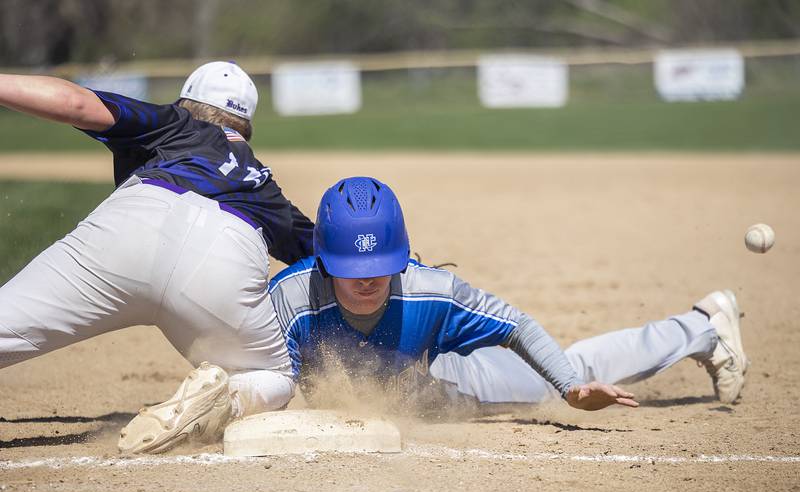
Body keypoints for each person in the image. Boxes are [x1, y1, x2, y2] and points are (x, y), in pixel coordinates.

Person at [0, 62, 313, 454]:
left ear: (187, 103)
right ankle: (224, 398)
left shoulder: (177, 123)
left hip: (130, 230)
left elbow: (74, 103)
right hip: (224, 264)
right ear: (245, 127)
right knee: (274, 376)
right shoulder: (262, 183)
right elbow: (328, 252)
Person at [264, 176, 749, 413]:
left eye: (381, 267)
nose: (367, 281)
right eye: (352, 270)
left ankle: (704, 326)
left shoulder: (431, 292)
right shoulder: (290, 299)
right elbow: (266, 375)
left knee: (575, 370)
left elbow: (516, 325)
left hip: (451, 384)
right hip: (417, 391)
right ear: (323, 260)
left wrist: (569, 388)